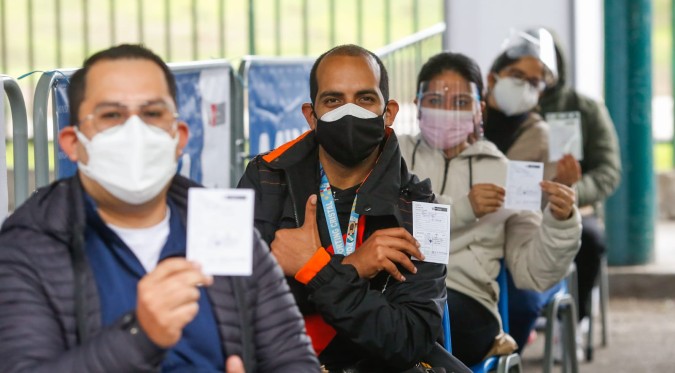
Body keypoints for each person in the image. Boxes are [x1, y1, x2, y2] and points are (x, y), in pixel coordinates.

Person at [0, 44, 319, 373]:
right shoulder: (29, 246)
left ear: (179, 137)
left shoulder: (220, 223)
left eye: (152, 114)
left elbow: (291, 357)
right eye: (111, 116)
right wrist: (140, 337)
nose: (135, 133)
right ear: (72, 143)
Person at [238, 44, 453, 372]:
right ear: (312, 116)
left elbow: (410, 340)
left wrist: (316, 270)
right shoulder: (267, 177)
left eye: (365, 99)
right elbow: (239, 303)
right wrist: (353, 267)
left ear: (389, 112)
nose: (349, 112)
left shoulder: (423, 208)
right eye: (333, 100)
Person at [398, 51, 582, 366]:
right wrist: (464, 209)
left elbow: (533, 272)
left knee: (418, 320)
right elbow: (389, 218)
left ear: (479, 109)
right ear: (417, 105)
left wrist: (560, 221)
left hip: (467, 302)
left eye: (460, 103)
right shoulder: (394, 156)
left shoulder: (506, 174)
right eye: (434, 100)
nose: (447, 112)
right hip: (399, 290)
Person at [481, 28, 586, 351]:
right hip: (472, 239)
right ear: (492, 77)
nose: (524, 85)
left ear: (541, 92)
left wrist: (566, 187)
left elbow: (552, 203)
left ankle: (508, 361)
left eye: (534, 81)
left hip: (520, 244)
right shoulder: (467, 123)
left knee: (521, 304)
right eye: (517, 75)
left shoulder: (544, 135)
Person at [537, 29, 621, 333]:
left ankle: (575, 318)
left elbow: (608, 170)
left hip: (575, 207)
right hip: (521, 207)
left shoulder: (586, 109)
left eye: (542, 68)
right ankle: (523, 316)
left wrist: (571, 192)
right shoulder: (508, 113)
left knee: (590, 241)